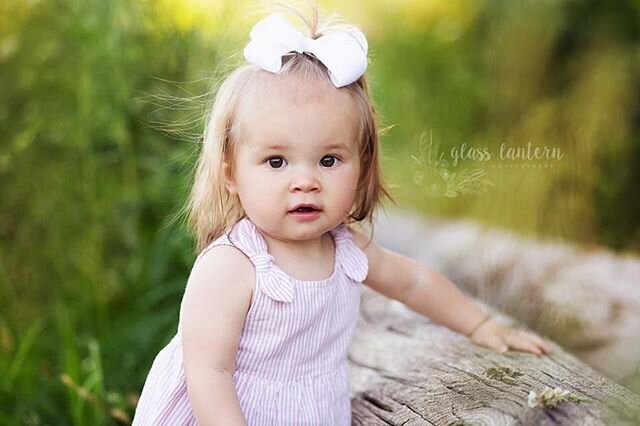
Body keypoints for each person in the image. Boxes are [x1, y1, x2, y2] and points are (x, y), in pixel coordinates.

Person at [132, 7, 553, 426]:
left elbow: (413, 282)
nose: (306, 181)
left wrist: (480, 324)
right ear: (231, 172)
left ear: (362, 163)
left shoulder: (346, 248)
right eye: (277, 162)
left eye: (329, 160)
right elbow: (208, 374)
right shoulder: (232, 266)